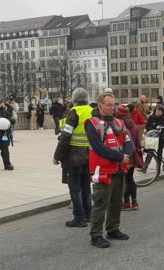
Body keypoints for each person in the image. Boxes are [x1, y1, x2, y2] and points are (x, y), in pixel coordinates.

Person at [86, 92, 133, 248]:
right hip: (103, 170)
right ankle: (96, 235)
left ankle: (113, 229)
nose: (112, 108)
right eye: (108, 105)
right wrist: (120, 157)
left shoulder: (119, 122)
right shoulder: (92, 123)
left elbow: (128, 141)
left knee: (116, 202)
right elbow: (99, 148)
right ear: (100, 105)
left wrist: (125, 155)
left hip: (118, 169)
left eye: (114, 104)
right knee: (101, 203)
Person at [53, 88, 93, 228]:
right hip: (89, 155)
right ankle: (89, 214)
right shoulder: (92, 111)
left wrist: (57, 156)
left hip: (74, 155)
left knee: (75, 188)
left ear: (74, 100)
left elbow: (66, 136)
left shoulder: (74, 113)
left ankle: (79, 218)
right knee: (86, 186)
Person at [115, 105, 141, 211]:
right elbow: (137, 140)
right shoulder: (133, 124)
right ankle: (134, 202)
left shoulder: (119, 125)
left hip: (124, 155)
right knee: (130, 179)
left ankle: (126, 203)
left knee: (124, 180)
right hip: (133, 155)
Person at [144, 104, 164, 171]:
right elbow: (147, 126)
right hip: (152, 137)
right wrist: (153, 129)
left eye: (159, 111)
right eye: (157, 110)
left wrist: (163, 134)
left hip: (161, 138)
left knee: (159, 152)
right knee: (150, 152)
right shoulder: (151, 117)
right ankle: (145, 167)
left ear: (162, 112)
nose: (158, 112)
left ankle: (158, 167)